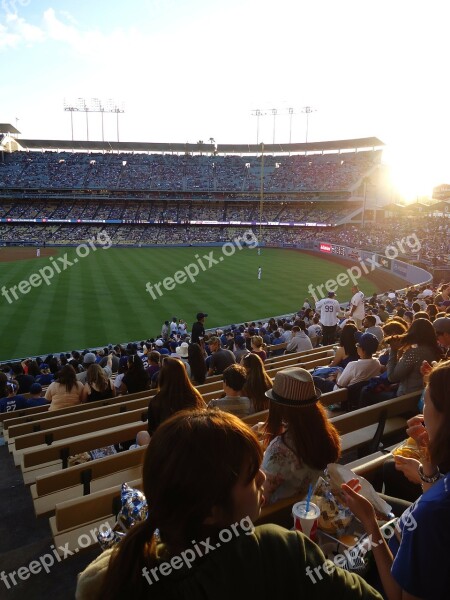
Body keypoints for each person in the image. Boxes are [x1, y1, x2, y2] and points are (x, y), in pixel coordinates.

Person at [76, 409, 382, 600]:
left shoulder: (121, 577)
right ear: (211, 510)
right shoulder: (275, 548)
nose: (263, 477)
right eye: (250, 476)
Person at [341, 360, 450, 600]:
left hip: (384, 572)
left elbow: (397, 595)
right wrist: (428, 463)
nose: (421, 413)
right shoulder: (435, 507)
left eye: (426, 401)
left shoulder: (432, 516)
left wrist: (370, 523)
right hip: (404, 533)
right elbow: (435, 497)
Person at [261, 367, 341, 505]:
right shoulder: (325, 433)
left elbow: (262, 496)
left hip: (281, 514)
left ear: (279, 408)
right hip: (312, 503)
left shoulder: (279, 449)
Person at [147, 357, 205, 435]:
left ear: (163, 375)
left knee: (142, 434)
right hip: (194, 438)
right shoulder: (194, 395)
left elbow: (152, 430)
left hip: (169, 443)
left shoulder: (156, 401)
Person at [386, 318, 442, 397]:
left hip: (407, 397)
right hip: (423, 393)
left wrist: (393, 351)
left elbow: (391, 377)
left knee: (367, 392)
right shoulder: (436, 350)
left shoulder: (414, 353)